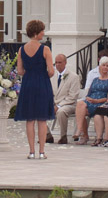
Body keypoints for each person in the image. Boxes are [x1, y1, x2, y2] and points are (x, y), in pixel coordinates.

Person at [14, 19, 55, 159]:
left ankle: (31, 151)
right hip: (42, 83)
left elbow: (19, 70)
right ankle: (42, 151)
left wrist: (30, 73)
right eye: (42, 30)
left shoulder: (21, 49)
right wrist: (43, 73)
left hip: (28, 83)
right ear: (37, 32)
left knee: (30, 119)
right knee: (42, 119)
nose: (43, 33)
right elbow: (51, 71)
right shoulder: (45, 49)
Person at [74, 57, 108, 145]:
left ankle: (82, 134)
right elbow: (89, 93)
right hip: (91, 102)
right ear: (99, 66)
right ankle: (81, 131)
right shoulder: (95, 79)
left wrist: (97, 101)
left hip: (102, 102)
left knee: (82, 111)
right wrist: (89, 98)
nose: (105, 67)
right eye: (103, 65)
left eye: (107, 66)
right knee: (80, 104)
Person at [50, 53, 80, 144]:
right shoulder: (52, 76)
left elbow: (72, 96)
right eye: (56, 63)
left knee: (61, 111)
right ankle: (47, 135)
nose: (58, 65)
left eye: (60, 62)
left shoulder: (73, 76)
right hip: (55, 103)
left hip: (69, 104)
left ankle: (63, 136)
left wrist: (59, 106)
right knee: (37, 110)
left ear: (65, 62)